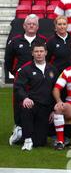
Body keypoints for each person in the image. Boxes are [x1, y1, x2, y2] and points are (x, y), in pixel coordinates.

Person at [6, 14, 47, 145]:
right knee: (19, 102)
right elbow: (8, 61)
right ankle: (18, 127)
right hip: (22, 80)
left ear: (37, 27)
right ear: (24, 26)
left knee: (37, 103)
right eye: (29, 23)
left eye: (34, 24)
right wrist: (16, 72)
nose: (31, 26)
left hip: (38, 80)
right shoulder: (15, 41)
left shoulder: (43, 41)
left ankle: (34, 129)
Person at [14, 43, 58, 150]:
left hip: (45, 107)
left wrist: (54, 109)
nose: (39, 54)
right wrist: (25, 98)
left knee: (39, 142)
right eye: (36, 51)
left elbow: (56, 90)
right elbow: (18, 87)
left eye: (41, 51)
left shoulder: (52, 69)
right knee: (26, 107)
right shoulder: (26, 69)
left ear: (46, 53)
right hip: (31, 104)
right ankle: (27, 139)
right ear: (32, 53)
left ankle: (20, 132)